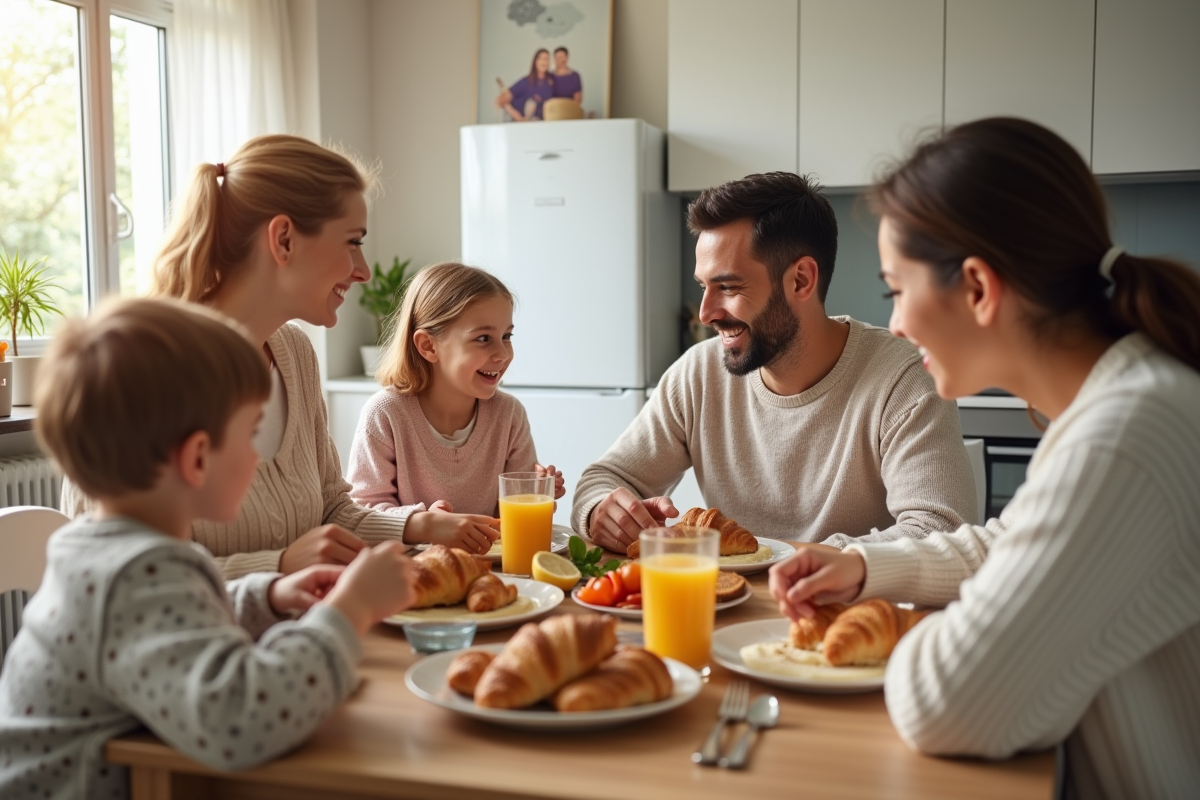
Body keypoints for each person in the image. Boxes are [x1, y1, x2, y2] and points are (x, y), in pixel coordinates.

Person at [769, 118, 1200, 799]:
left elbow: (947, 703)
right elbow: (1014, 545)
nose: (899, 323)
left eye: (895, 290)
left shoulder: (1123, 436)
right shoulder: (1119, 401)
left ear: (977, 287)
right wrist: (863, 567)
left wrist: (887, 631)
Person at [0, 297, 417, 799]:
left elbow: (180, 627)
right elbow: (243, 720)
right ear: (197, 458)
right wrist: (352, 610)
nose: (257, 453)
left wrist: (269, 597)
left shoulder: (110, 549)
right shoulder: (134, 576)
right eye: (250, 434)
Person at [64, 134, 412, 578]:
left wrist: (423, 528)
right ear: (284, 239)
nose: (362, 270)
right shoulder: (140, 373)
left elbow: (331, 510)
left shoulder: (295, 354)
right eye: (352, 241)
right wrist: (280, 567)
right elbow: (115, 574)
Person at [572, 172, 976, 552]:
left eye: (728, 286)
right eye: (703, 287)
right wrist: (602, 511)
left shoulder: (901, 377)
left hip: (839, 614)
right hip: (726, 613)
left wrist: (795, 560)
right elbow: (603, 479)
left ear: (801, 280)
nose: (706, 313)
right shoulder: (697, 374)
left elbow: (940, 532)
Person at [346, 262, 564, 553]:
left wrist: (537, 493)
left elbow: (513, 519)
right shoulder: (385, 414)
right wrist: (422, 522)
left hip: (492, 569)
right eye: (483, 338)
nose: (502, 353)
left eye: (507, 336)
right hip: (412, 574)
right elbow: (362, 514)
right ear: (428, 346)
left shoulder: (509, 414)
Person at [498, 48, 555, 121]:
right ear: (535, 61)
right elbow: (502, 100)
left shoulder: (552, 82)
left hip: (546, 125)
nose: (543, 61)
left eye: (546, 59)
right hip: (526, 126)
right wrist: (518, 118)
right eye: (540, 58)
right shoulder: (525, 82)